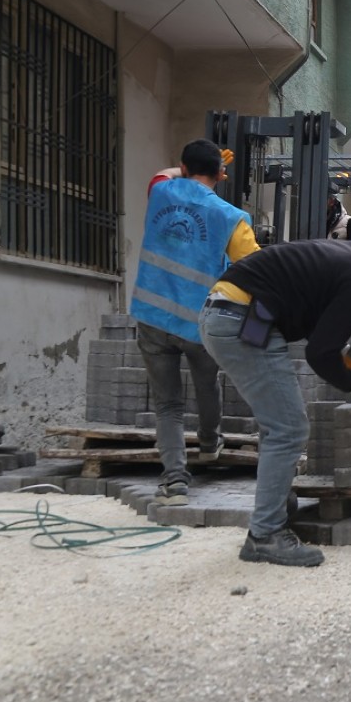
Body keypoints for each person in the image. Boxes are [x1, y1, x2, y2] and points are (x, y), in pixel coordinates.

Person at [200, 223, 351, 567]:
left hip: (230, 311)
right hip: (241, 318)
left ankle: (276, 506)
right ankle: (265, 535)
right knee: (289, 428)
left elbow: (321, 331)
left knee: (276, 423)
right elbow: (319, 353)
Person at [129, 139, 259, 507]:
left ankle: (174, 482)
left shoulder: (160, 191)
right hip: (199, 322)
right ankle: (209, 442)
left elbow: (164, 173)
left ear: (184, 168)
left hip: (152, 316)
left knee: (168, 405)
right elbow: (256, 269)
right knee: (207, 383)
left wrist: (185, 167)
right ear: (221, 174)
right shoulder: (232, 217)